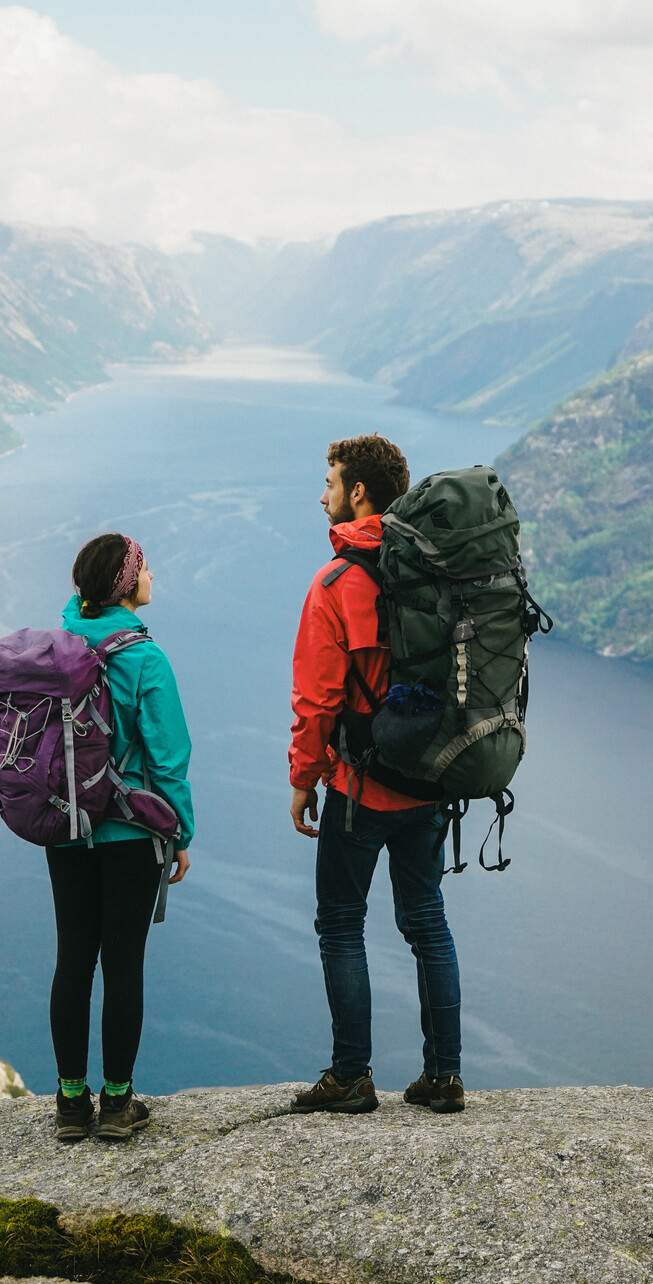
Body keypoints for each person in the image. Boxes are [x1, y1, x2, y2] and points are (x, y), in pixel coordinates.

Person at [287, 434, 465, 1116]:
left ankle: (351, 1075)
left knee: (341, 923)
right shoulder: (435, 573)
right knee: (427, 921)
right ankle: (444, 1077)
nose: (323, 494)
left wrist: (305, 778)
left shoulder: (337, 583)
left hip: (360, 790)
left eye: (330, 482)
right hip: (430, 781)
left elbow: (317, 700)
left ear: (359, 492)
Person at [47, 532, 194, 1142]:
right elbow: (168, 754)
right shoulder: (144, 657)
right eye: (144, 567)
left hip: (65, 825)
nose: (152, 575)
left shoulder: (59, 642)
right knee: (123, 963)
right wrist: (180, 830)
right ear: (126, 583)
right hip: (129, 832)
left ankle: (70, 1101)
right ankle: (116, 1102)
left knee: (73, 958)